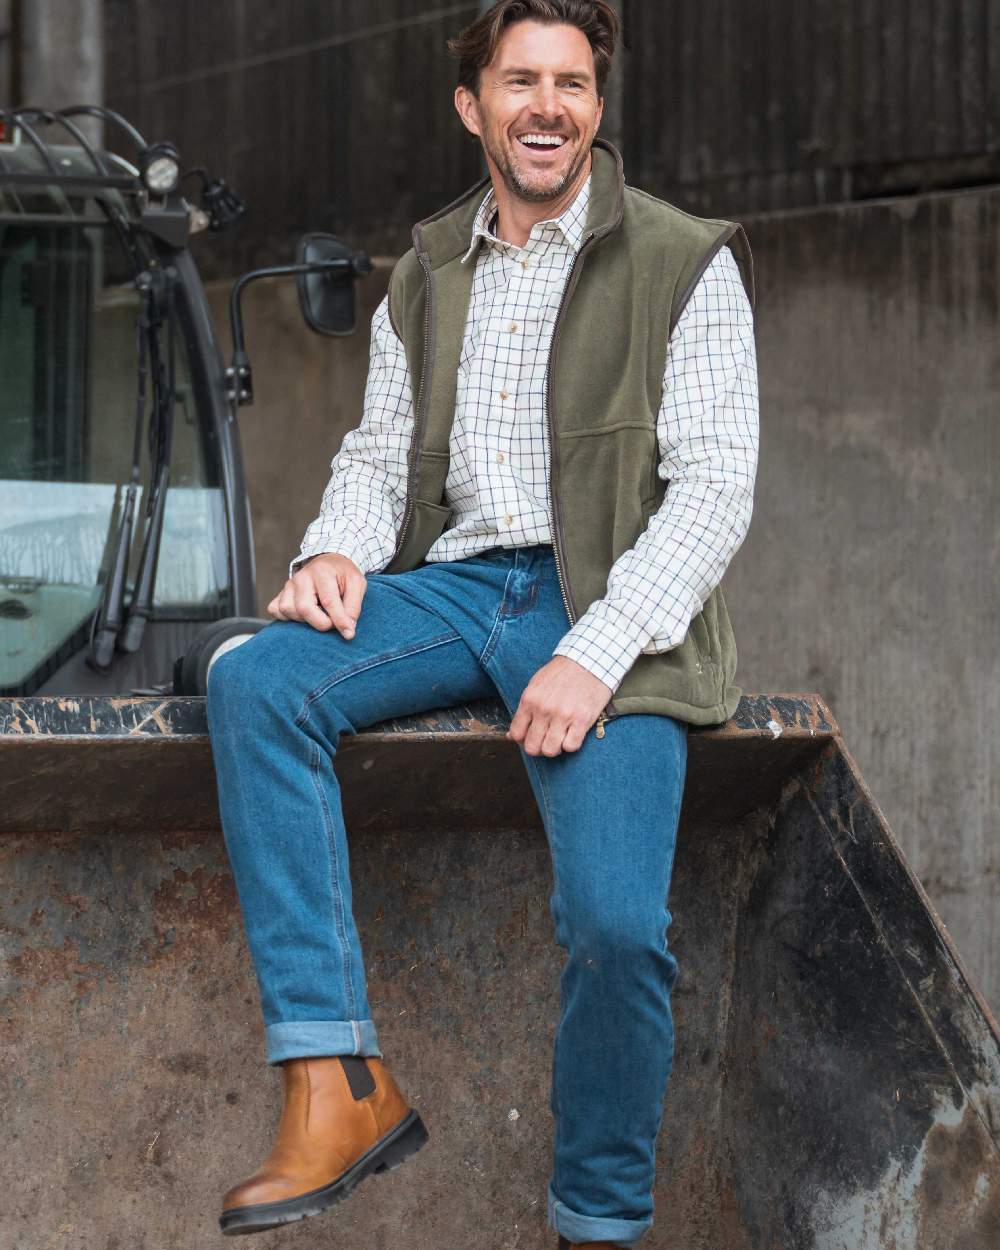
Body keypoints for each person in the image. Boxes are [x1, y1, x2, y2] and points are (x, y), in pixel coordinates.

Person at [206, 1, 759, 1246]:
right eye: (521, 81)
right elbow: (380, 445)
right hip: (459, 588)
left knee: (617, 928)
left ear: (596, 104)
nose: (548, 104)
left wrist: (591, 652)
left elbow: (717, 483)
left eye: (571, 81)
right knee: (256, 679)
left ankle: (598, 1221)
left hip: (608, 606)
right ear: (475, 108)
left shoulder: (683, 257)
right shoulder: (429, 267)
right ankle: (334, 1082)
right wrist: (337, 548)